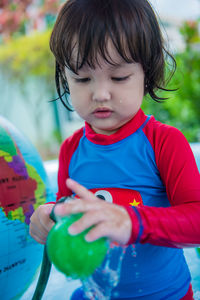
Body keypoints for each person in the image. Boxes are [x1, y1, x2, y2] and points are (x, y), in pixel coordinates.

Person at [29, 0, 200, 299]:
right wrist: (50, 216)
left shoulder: (164, 143)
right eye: (82, 78)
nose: (100, 93)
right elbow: (69, 213)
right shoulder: (71, 150)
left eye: (119, 77)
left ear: (147, 71)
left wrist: (131, 221)